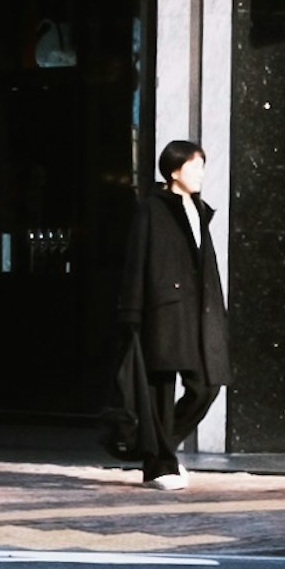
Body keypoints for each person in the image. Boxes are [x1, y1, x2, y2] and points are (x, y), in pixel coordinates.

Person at [111, 139, 227, 485]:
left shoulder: (198, 209)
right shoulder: (152, 208)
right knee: (160, 389)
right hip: (162, 310)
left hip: (199, 312)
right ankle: (158, 464)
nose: (202, 174)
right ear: (175, 170)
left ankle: (160, 450)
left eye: (203, 166)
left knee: (207, 386)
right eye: (195, 166)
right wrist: (131, 310)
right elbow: (138, 261)